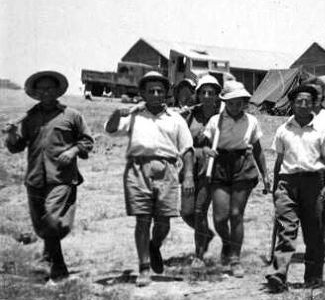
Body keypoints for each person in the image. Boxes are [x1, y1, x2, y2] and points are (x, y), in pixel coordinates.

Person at [3, 70, 93, 283]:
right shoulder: (29, 118)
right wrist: (11, 134)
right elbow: (16, 147)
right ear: (35, 93)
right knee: (41, 226)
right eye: (41, 89)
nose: (45, 93)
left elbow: (87, 141)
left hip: (61, 177)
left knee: (52, 221)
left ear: (57, 91)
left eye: (49, 88)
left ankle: (59, 270)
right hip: (35, 178)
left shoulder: (71, 115)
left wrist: (72, 151)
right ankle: (47, 256)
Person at [105, 71, 194, 286]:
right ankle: (144, 268)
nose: (155, 95)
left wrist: (189, 175)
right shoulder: (133, 115)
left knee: (163, 222)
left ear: (166, 93)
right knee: (142, 219)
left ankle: (154, 246)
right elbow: (111, 130)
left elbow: (187, 149)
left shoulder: (176, 119)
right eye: (151, 91)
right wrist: (117, 113)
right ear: (143, 93)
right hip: (138, 169)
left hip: (167, 170)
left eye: (159, 91)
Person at [268, 85, 325, 291]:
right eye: (299, 101)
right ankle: (278, 274)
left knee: (313, 232)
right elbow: (279, 160)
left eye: (308, 101)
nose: (303, 105)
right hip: (287, 183)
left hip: (314, 183)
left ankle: (313, 276)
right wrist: (275, 187)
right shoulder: (283, 129)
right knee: (286, 229)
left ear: (314, 104)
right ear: (292, 104)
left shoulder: (322, 130)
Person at [203, 81, 269, 278]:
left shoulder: (251, 121)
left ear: (244, 102)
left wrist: (265, 175)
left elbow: (258, 149)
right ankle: (227, 242)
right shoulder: (215, 121)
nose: (235, 106)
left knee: (236, 214)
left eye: (239, 102)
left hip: (242, 165)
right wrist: (208, 151)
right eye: (231, 102)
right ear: (224, 102)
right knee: (220, 217)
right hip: (220, 166)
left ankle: (235, 259)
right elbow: (205, 145)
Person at [180, 74, 222, 266]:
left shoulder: (223, 115)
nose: (206, 96)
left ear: (217, 95)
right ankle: (206, 234)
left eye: (211, 93)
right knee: (186, 212)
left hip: (210, 169)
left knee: (199, 211)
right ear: (197, 94)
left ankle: (199, 254)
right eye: (203, 92)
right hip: (189, 167)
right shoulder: (189, 114)